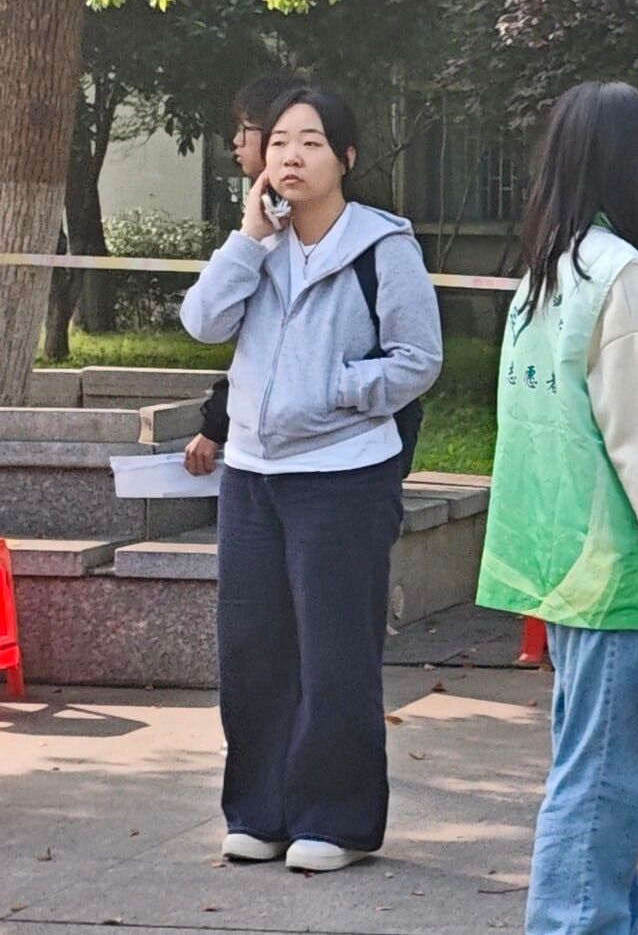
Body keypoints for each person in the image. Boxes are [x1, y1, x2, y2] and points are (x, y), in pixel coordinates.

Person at [473, 81, 638, 935]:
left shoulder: (548, 272)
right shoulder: (625, 275)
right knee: (607, 780)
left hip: (558, 556)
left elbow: (574, 424)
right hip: (613, 565)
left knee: (590, 765)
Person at [181, 85, 443, 873]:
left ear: (347, 157)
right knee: (252, 650)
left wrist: (336, 388)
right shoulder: (260, 242)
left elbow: (419, 360)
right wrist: (248, 238)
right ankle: (260, 813)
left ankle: (337, 820)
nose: (291, 156)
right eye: (279, 142)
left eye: (312, 142)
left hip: (343, 474)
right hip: (252, 473)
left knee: (334, 654)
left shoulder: (382, 246)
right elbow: (202, 322)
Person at [184, 70, 308, 477]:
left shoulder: (346, 234)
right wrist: (249, 235)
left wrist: (217, 422)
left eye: (245, 129)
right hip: (255, 458)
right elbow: (205, 322)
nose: (235, 142)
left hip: (333, 462)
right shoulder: (265, 220)